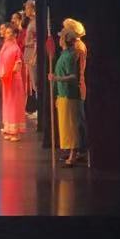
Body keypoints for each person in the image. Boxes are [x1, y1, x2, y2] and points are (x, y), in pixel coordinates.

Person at [49, 27, 82, 166]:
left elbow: (73, 76)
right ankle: (70, 151)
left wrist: (57, 78)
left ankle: (73, 154)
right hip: (63, 94)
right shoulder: (64, 54)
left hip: (69, 95)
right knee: (65, 126)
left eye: (61, 37)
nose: (59, 39)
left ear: (65, 39)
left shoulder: (69, 56)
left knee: (71, 125)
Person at [63, 17, 89, 162]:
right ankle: (75, 148)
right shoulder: (72, 47)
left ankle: (81, 149)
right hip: (72, 86)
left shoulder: (78, 47)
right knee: (74, 119)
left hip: (77, 86)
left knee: (79, 119)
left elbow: (75, 70)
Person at [0, 22, 26, 140]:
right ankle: (8, 129)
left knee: (14, 104)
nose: (6, 34)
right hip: (6, 78)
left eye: (9, 33)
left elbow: (18, 63)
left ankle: (16, 131)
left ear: (15, 34)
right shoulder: (6, 45)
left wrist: (12, 72)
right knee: (7, 103)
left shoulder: (15, 48)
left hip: (14, 79)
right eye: (6, 32)